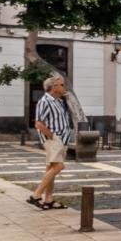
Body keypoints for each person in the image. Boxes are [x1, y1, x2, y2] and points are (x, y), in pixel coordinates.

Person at [31, 74, 72, 210]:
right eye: (61, 84)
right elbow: (38, 123)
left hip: (62, 138)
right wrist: (52, 136)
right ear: (53, 87)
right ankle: (36, 195)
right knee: (59, 166)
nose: (63, 87)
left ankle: (48, 199)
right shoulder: (45, 101)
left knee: (51, 168)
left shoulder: (59, 101)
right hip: (54, 139)